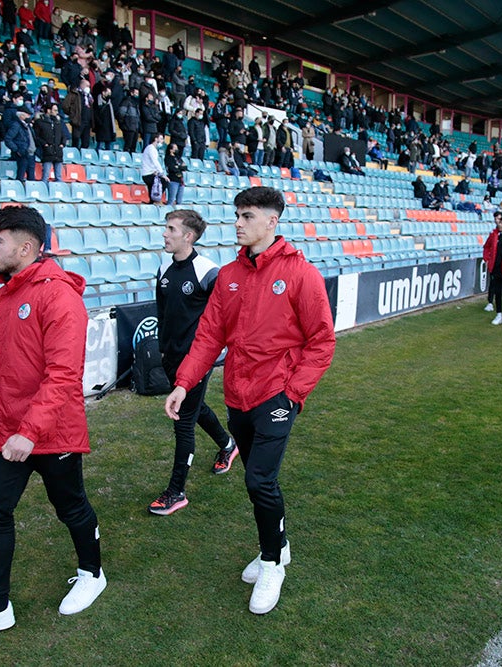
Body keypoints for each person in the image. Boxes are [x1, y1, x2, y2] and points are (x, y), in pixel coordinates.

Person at [164, 186, 336, 615]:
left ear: (271, 222)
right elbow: (209, 336)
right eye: (237, 215)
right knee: (256, 481)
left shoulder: (301, 274)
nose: (238, 223)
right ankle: (277, 543)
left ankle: (272, 563)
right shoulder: (228, 274)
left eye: (247, 216)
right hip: (237, 393)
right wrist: (184, 383)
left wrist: (293, 394)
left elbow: (322, 342)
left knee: (259, 481)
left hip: (276, 395)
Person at [0, 205, 105, 643]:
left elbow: (63, 375)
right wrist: (11, 429)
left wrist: (29, 432)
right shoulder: (2, 296)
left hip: (51, 432)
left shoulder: (59, 296)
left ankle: (92, 573)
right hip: (4, 430)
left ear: (27, 247)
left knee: (70, 507)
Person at [148, 210, 237, 516]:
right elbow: (163, 313)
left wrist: (211, 354)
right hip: (171, 358)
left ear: (188, 236)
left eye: (170, 229)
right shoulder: (163, 267)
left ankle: (176, 492)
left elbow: (223, 318)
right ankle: (228, 444)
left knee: (183, 422)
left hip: (197, 362)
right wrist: (161, 349)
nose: (164, 234)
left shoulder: (208, 271)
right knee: (194, 409)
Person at [33, 102, 65, 181]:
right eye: (55, 110)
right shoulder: (39, 122)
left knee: (59, 176)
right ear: (48, 110)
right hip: (47, 152)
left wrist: (62, 144)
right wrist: (45, 144)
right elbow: (36, 137)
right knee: (45, 175)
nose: (56, 112)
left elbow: (63, 135)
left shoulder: (58, 123)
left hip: (58, 152)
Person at [4, 108, 37, 181]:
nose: (29, 117)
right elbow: (8, 139)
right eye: (27, 115)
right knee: (20, 176)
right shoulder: (16, 125)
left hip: (31, 154)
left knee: (31, 178)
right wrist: (17, 150)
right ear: (21, 115)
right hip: (23, 154)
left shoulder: (28, 126)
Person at [140, 132, 167, 204]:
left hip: (151, 172)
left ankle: (152, 202)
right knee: (164, 181)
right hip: (148, 173)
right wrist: (162, 173)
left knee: (152, 187)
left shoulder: (153, 149)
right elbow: (155, 162)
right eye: (161, 139)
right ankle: (156, 200)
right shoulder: (151, 148)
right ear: (156, 139)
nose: (162, 141)